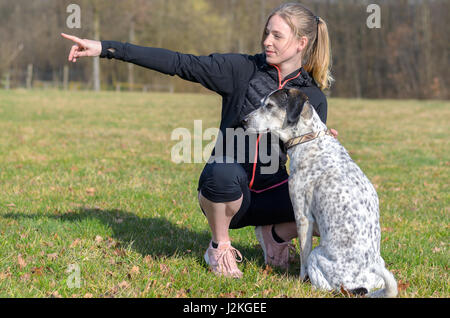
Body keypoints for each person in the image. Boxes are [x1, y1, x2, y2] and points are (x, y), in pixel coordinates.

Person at [61, 2, 337, 279]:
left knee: (330, 209)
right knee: (222, 171)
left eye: (277, 36)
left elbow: (314, 161)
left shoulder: (312, 98)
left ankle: (275, 235)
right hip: (228, 190)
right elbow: (179, 63)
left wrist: (322, 139)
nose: (267, 41)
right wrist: (105, 49)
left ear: (302, 42)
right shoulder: (240, 69)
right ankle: (219, 247)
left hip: (272, 193)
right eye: (267, 33)